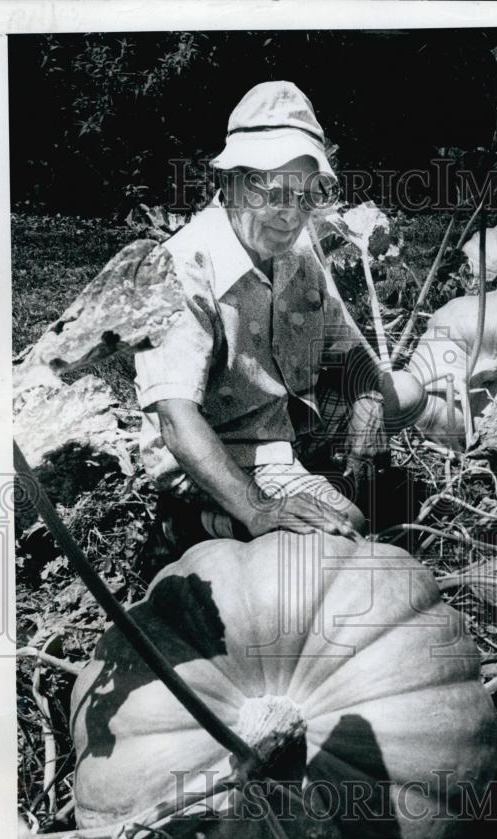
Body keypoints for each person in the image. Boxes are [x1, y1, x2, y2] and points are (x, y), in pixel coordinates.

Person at [135, 81, 387, 550]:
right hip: (219, 452)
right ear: (231, 181)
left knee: (397, 400)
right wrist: (259, 507)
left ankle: (247, 518)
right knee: (343, 529)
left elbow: (349, 348)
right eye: (275, 194)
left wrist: (368, 406)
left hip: (289, 423)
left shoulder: (299, 249)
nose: (290, 216)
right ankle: (195, 523)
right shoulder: (180, 268)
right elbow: (176, 420)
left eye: (306, 198)